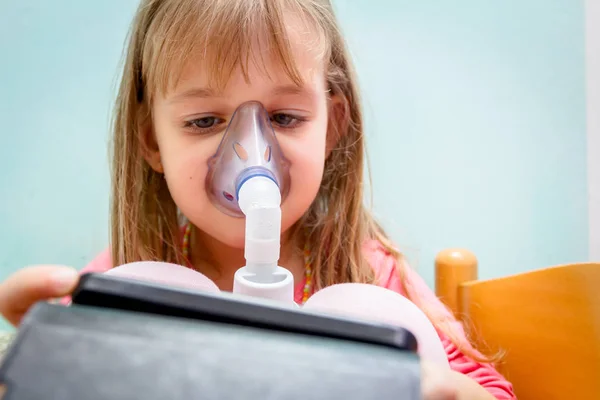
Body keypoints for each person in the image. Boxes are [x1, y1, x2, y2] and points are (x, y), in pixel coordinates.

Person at [0, 0, 516, 399]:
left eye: (285, 117)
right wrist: (33, 358)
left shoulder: (369, 276)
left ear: (332, 127)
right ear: (153, 141)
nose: (252, 156)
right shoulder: (128, 280)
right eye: (204, 121)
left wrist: (422, 385)